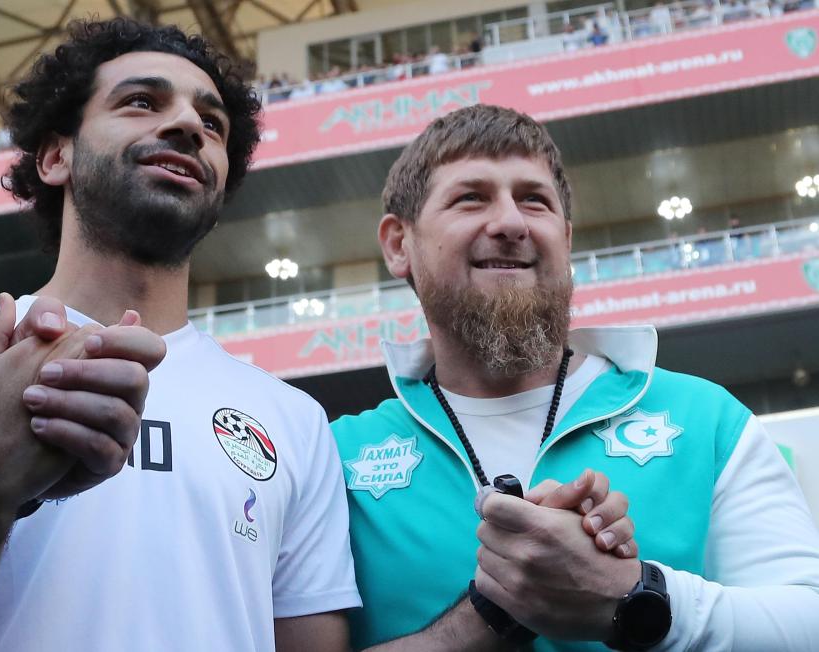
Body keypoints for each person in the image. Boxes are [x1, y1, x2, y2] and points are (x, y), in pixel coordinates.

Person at [0, 18, 361, 651]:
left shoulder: (295, 420)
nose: (186, 126)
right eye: (141, 102)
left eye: (212, 125)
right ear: (54, 155)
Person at [331, 104, 819, 650]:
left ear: (564, 236)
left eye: (534, 200)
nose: (511, 222)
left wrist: (637, 597)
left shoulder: (706, 419)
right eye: (471, 197)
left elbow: (808, 620)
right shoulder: (333, 456)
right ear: (400, 244)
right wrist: (500, 604)